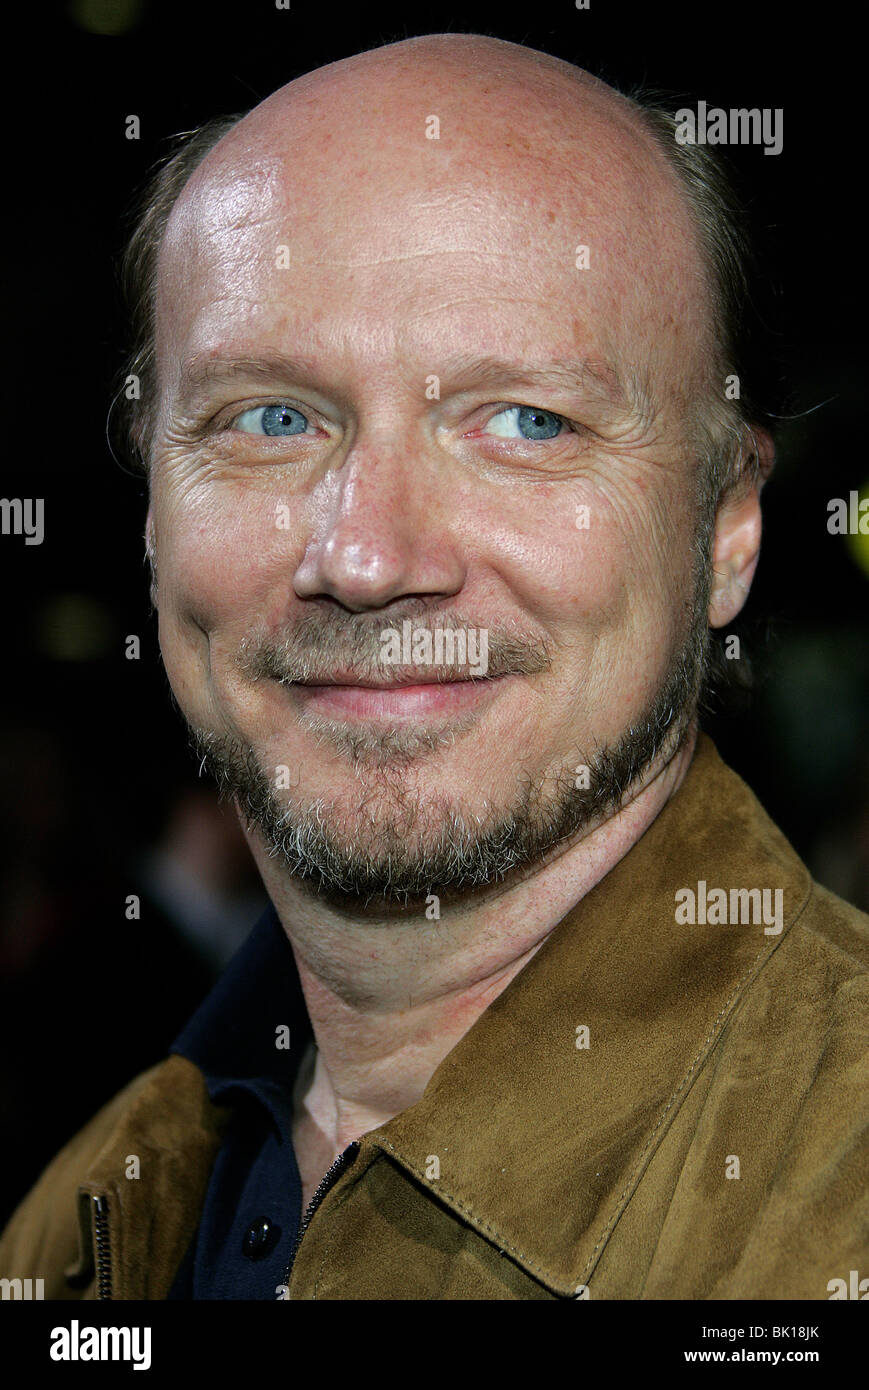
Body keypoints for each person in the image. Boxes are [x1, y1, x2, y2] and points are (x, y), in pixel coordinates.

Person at [2, 32, 866, 1301]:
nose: (364, 557)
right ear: (151, 519)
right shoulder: (84, 1224)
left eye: (525, 421)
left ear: (726, 527)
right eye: (271, 418)